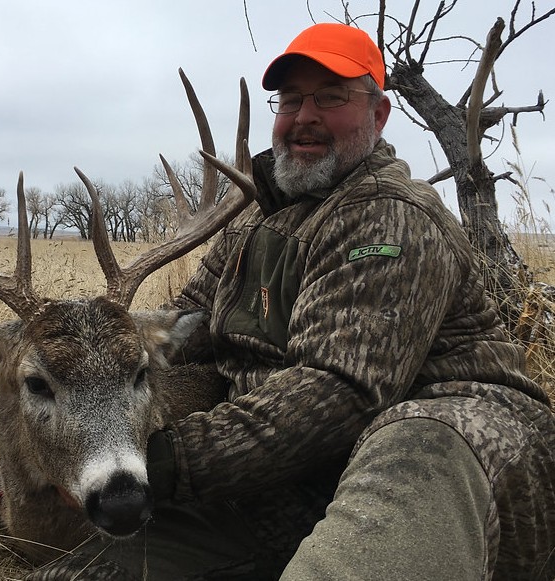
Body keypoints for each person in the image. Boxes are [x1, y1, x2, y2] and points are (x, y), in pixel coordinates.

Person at [34, 22, 555, 580]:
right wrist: (81, 414)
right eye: (290, 100)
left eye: (331, 98)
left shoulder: (393, 217)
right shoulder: (254, 221)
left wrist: (161, 463)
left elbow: (337, 393)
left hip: (450, 463)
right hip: (291, 486)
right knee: (73, 571)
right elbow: (180, 333)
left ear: (378, 116)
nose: (305, 116)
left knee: (421, 434)